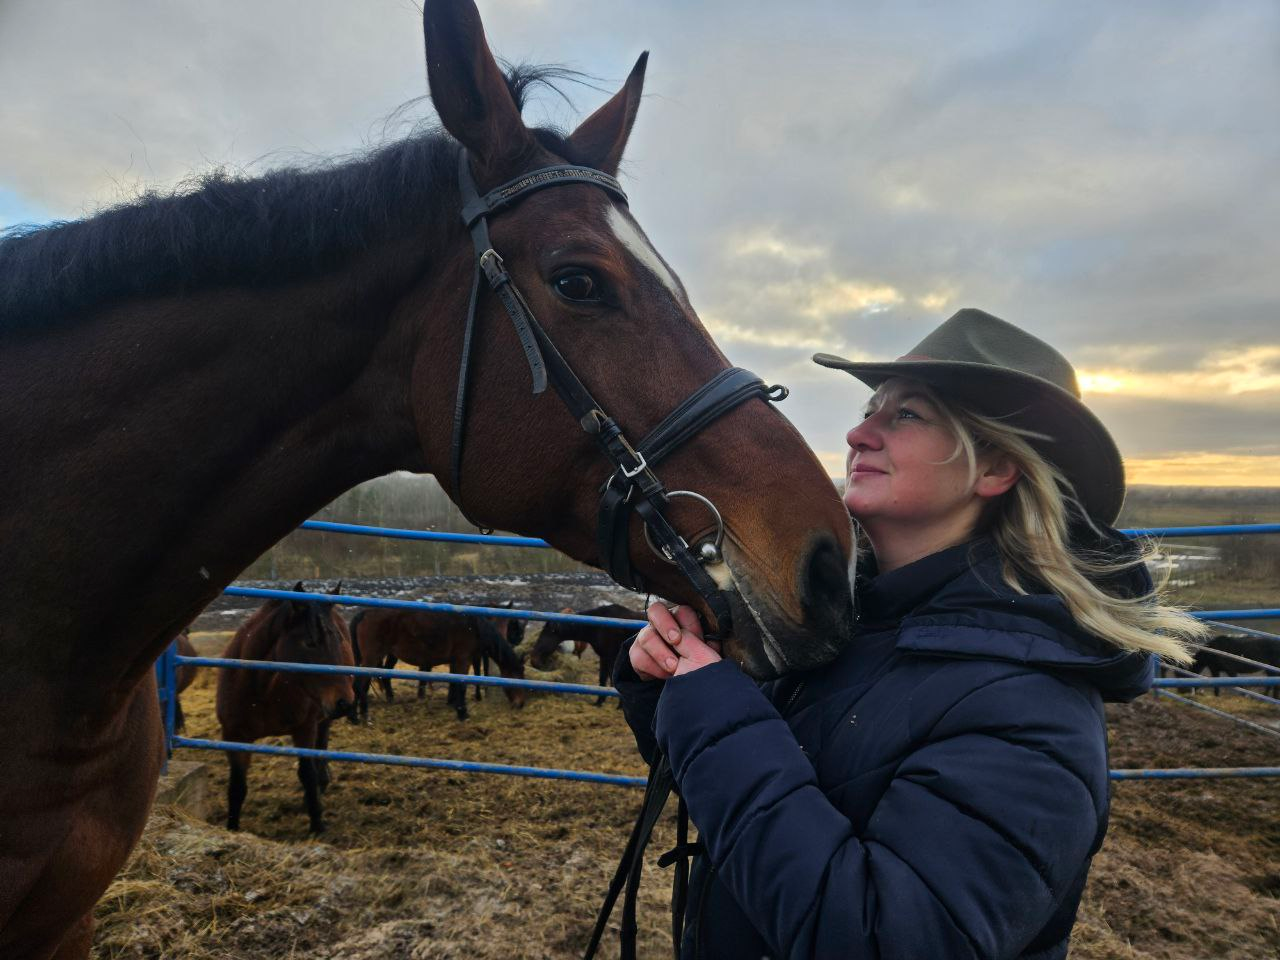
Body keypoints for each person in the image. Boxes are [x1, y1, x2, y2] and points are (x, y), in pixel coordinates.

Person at [613, 308, 1206, 960]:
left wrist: (713, 707)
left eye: (905, 415)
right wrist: (674, 688)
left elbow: (880, 939)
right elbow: (757, 816)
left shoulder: (1032, 712)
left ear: (995, 470)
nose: (857, 433)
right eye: (872, 408)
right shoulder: (850, 625)